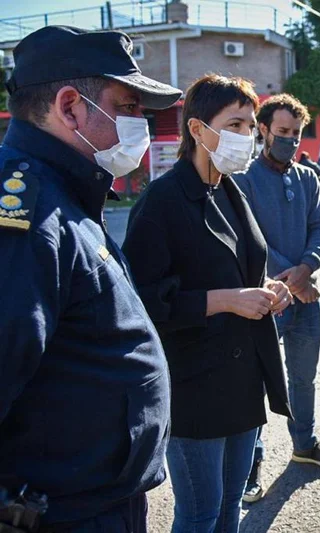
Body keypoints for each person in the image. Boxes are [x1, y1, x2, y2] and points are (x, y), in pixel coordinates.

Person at [0, 25, 181, 531]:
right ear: (71, 107)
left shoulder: (68, 194)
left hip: (100, 502)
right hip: (60, 513)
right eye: (128, 107)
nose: (140, 123)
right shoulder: (26, 216)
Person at [122, 74, 293, 533]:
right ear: (198, 130)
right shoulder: (162, 200)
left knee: (230, 505)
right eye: (235, 123)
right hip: (194, 384)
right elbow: (140, 303)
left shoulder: (231, 190)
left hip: (242, 379)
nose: (248, 136)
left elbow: (242, 269)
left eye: (250, 124)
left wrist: (270, 290)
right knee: (199, 513)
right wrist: (225, 301)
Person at [235, 94, 320, 503]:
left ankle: (304, 445)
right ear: (262, 130)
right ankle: (250, 467)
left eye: (295, 134)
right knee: (257, 383)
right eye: (282, 133)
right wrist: (293, 278)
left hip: (305, 300)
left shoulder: (307, 178)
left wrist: (307, 268)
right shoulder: (243, 179)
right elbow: (251, 238)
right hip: (266, 301)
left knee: (303, 378)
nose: (289, 141)